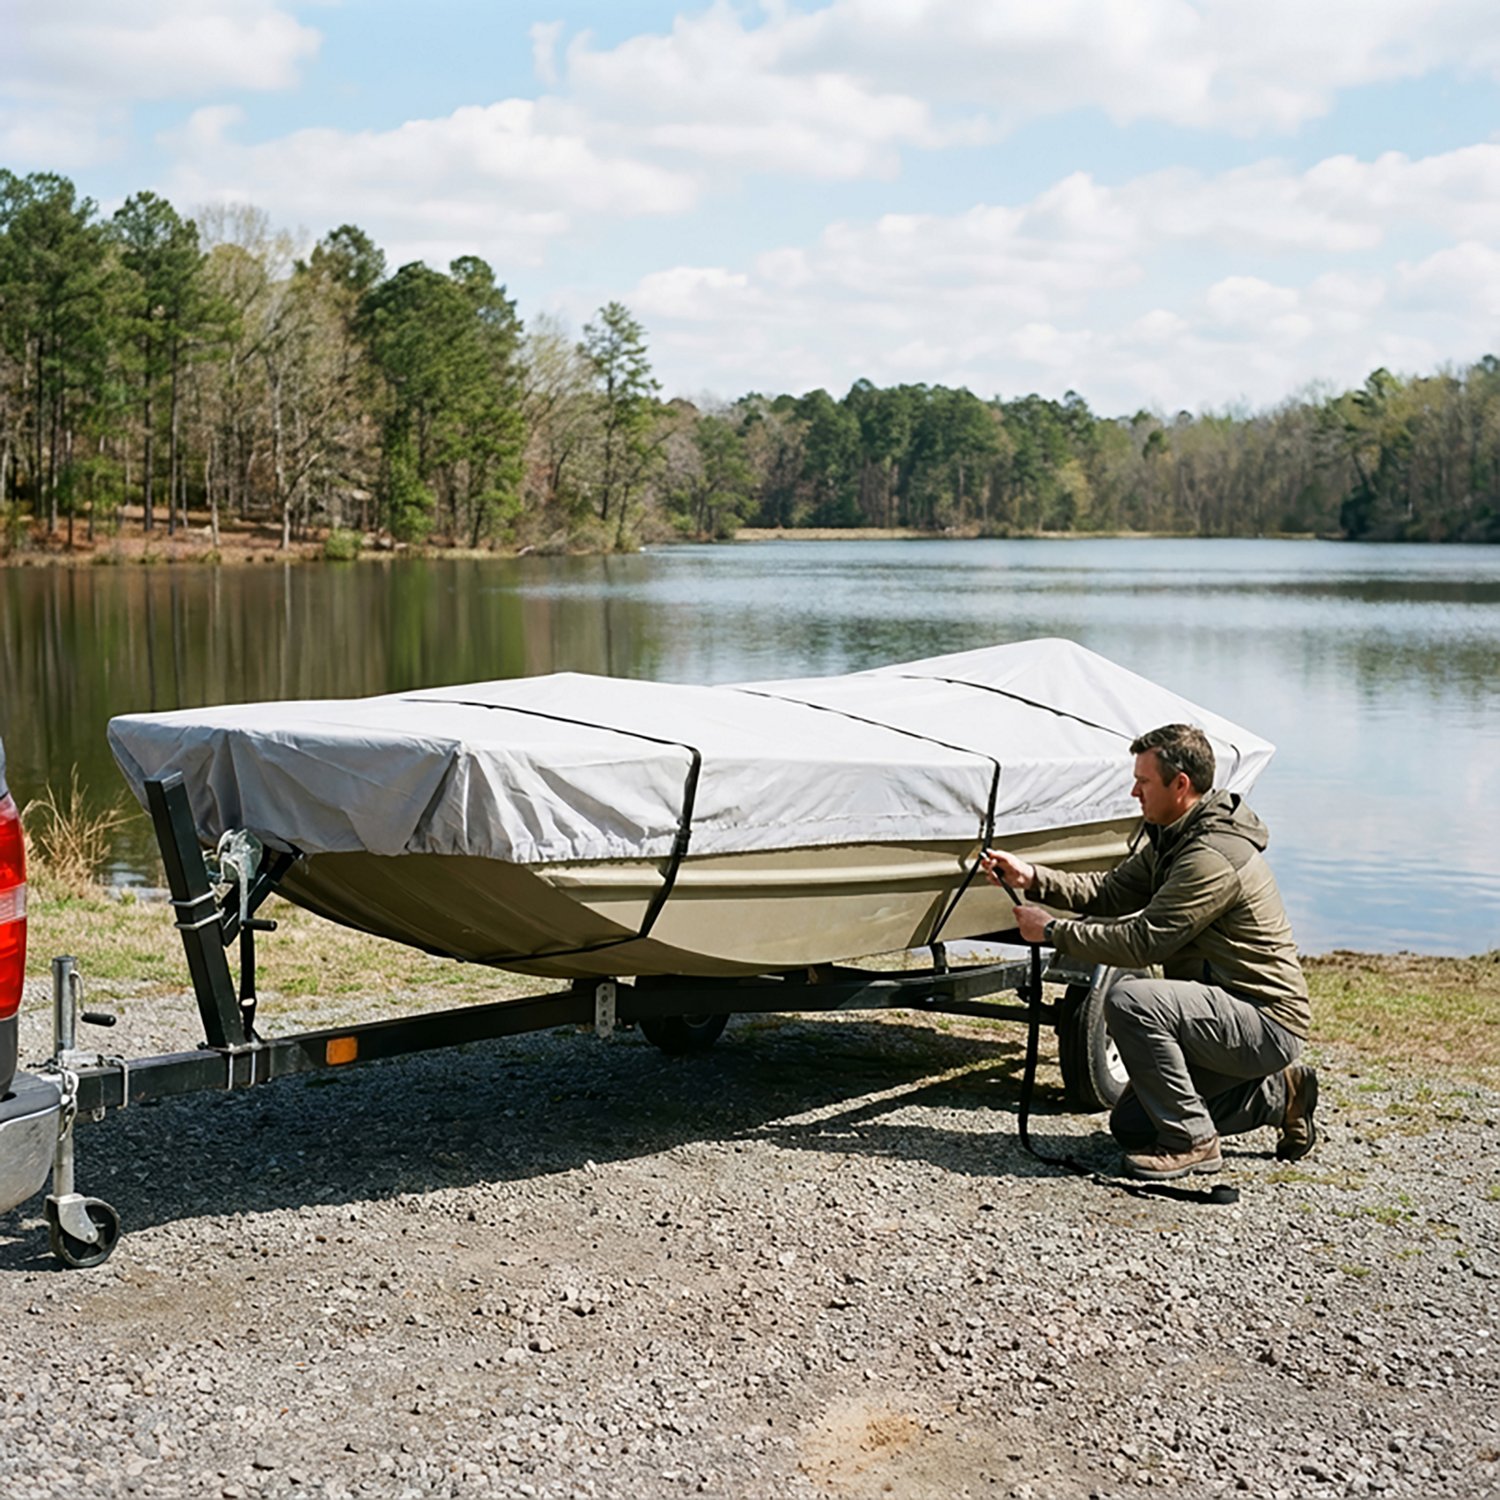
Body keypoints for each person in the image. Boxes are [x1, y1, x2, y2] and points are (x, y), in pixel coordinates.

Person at [980, 723, 1317, 1182]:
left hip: (1264, 1021)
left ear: (1180, 785)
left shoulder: (1209, 855)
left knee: (1132, 999)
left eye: (1143, 781)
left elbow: (1144, 942)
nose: (1134, 791)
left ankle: (1193, 1143)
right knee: (1133, 1126)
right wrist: (1033, 877)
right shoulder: (1175, 836)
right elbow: (1112, 891)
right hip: (1220, 1015)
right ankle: (1281, 1095)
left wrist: (1053, 932)